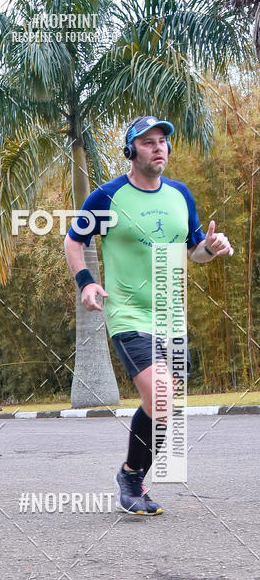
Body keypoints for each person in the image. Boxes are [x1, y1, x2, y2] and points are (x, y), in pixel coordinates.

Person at [64, 115, 233, 516]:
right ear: (130, 151)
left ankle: (131, 474)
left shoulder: (180, 195)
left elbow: (195, 251)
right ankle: (131, 477)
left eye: (163, 141)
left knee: (164, 403)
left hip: (171, 315)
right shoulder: (107, 197)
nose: (159, 148)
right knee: (158, 394)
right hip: (127, 314)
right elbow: (74, 242)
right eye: (148, 142)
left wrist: (211, 246)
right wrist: (87, 283)